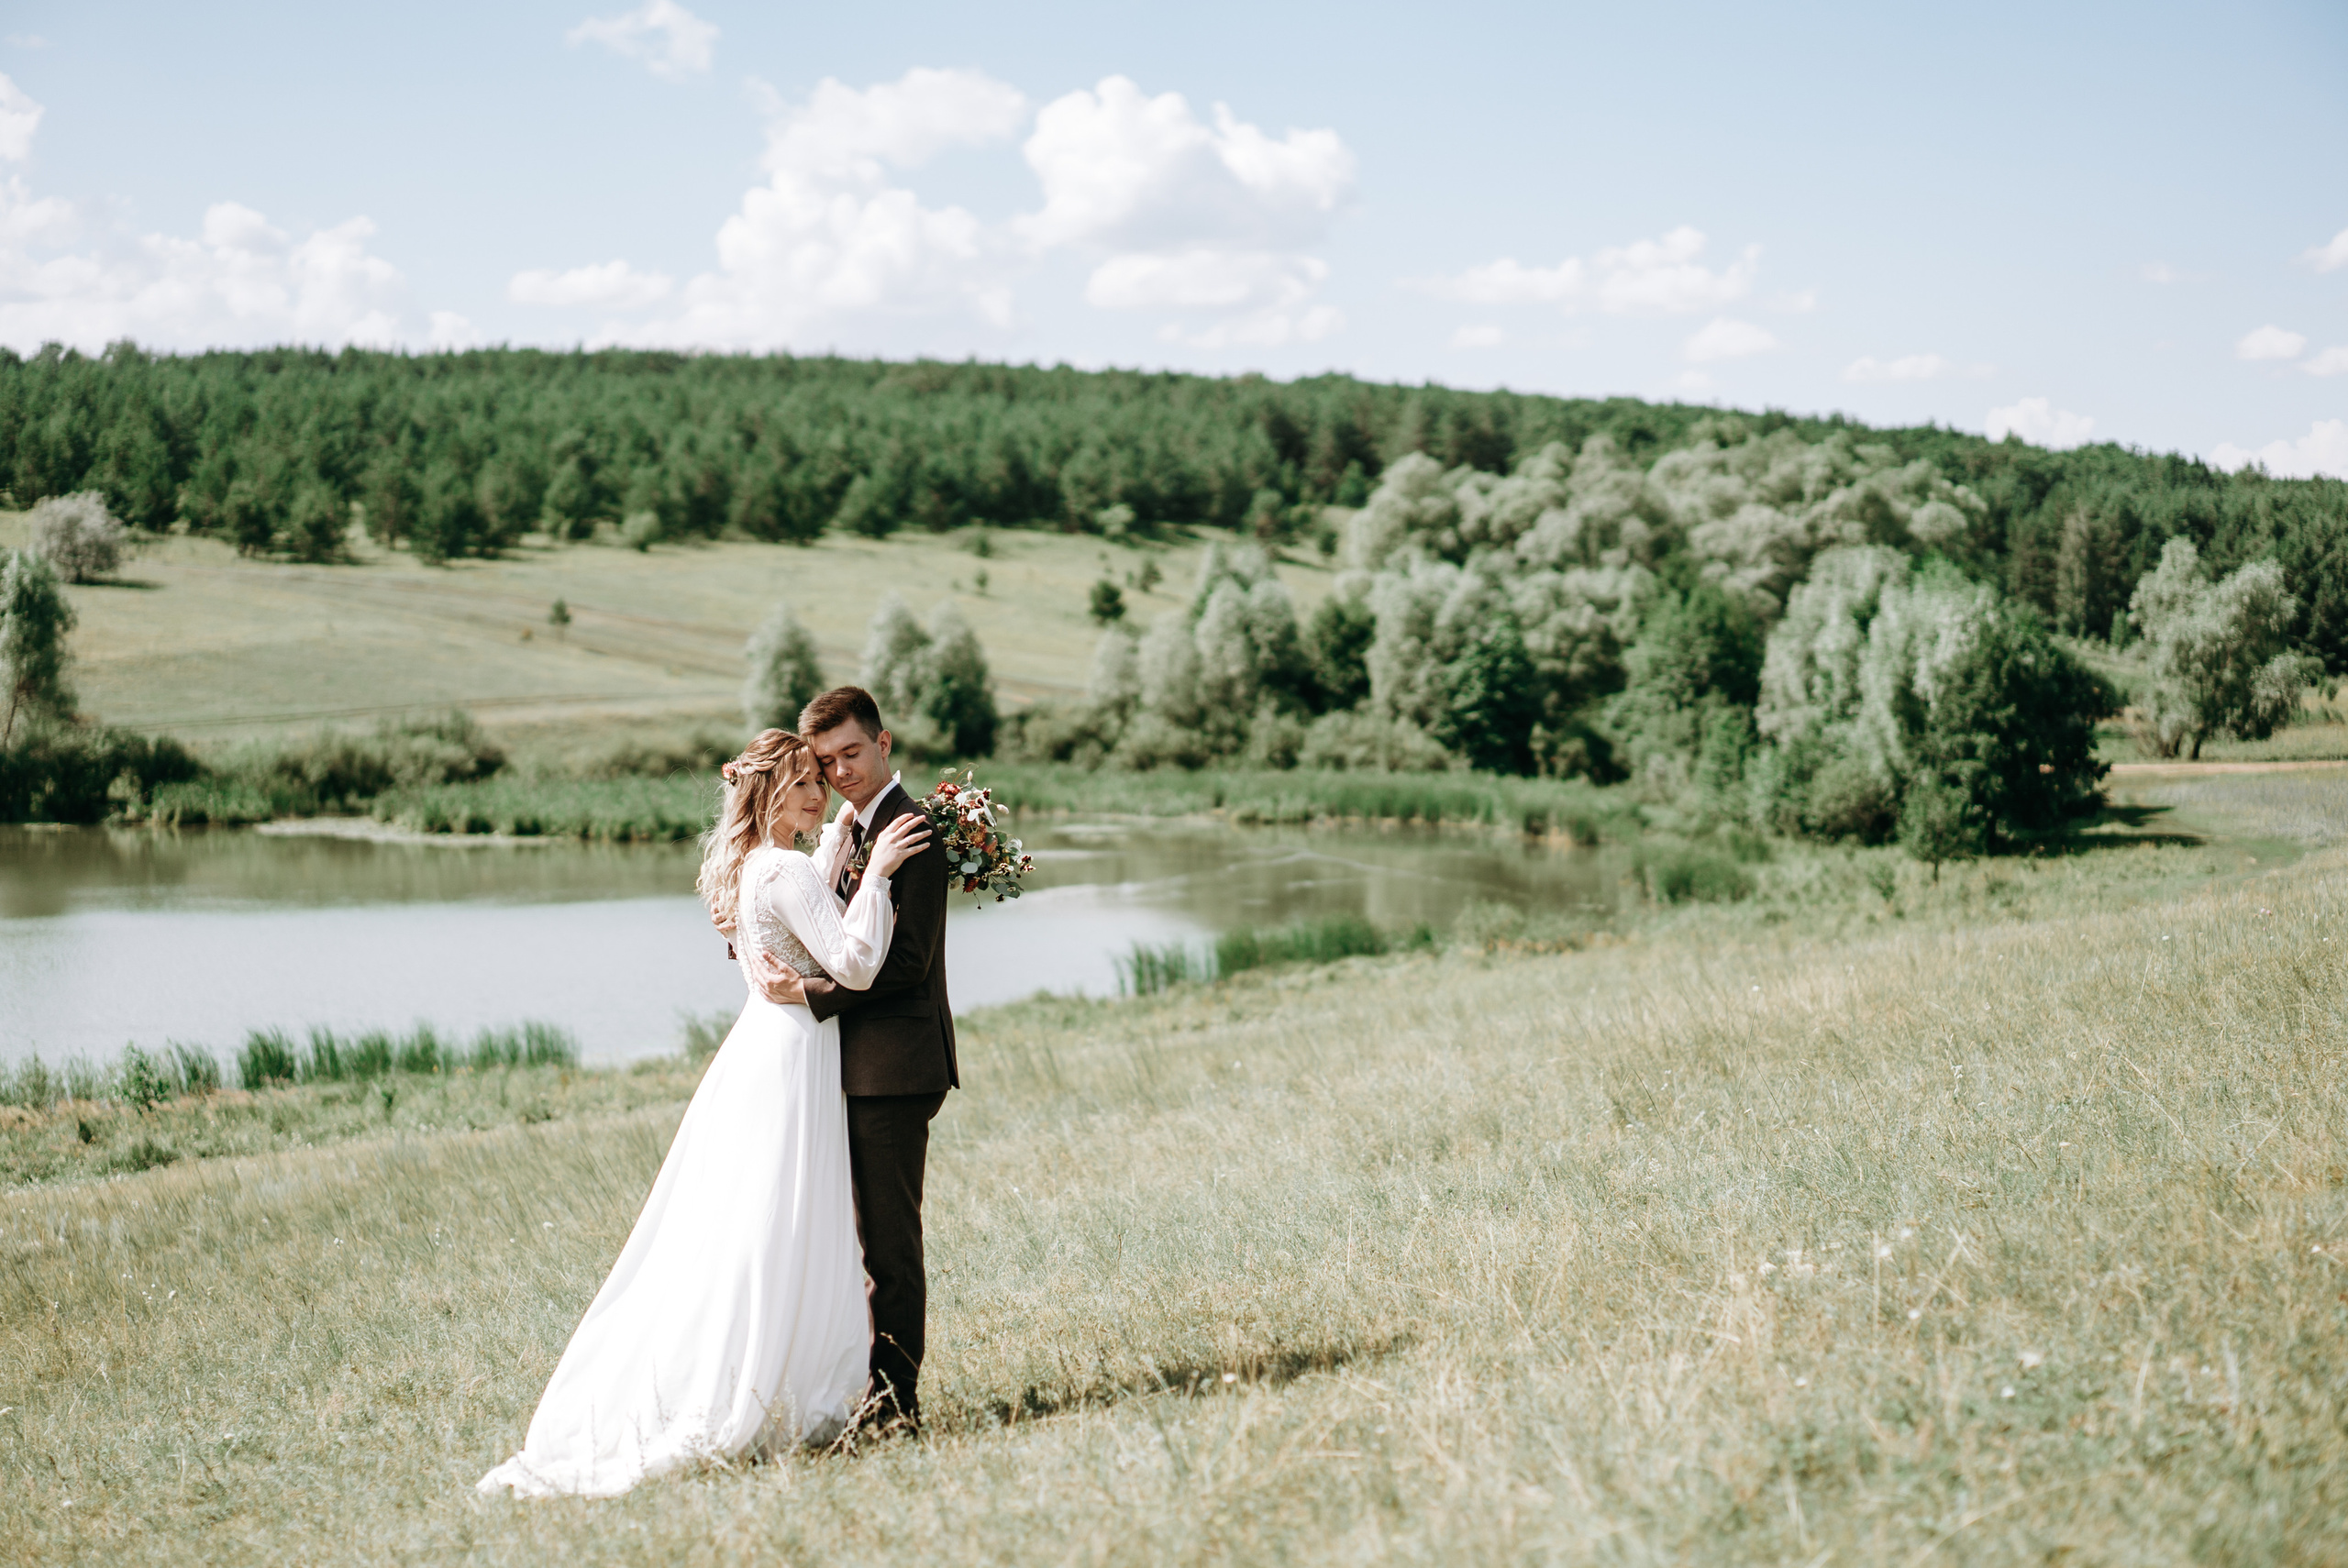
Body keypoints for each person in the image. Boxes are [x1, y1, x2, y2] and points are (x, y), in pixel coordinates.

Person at [476, 727, 931, 1497]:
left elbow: (805, 905)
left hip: (767, 1045)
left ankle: (784, 1372)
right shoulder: (785, 867)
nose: (819, 795)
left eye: (820, 782)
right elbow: (851, 962)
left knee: (761, 1216)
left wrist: (842, 843)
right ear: (767, 795)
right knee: (777, 1219)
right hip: (794, 1052)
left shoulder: (759, 865)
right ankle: (758, 1386)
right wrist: (880, 873)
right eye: (802, 788)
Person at [746, 686, 955, 1436]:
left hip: (893, 1070)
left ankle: (897, 1409)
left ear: (885, 743)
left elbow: (905, 966)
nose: (841, 771)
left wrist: (804, 993)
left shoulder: (912, 830)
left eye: (852, 753)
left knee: (890, 1248)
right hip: (845, 1070)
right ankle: (855, 1391)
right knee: (851, 1241)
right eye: (826, 762)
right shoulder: (847, 830)